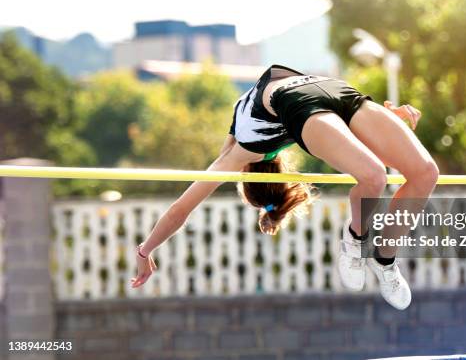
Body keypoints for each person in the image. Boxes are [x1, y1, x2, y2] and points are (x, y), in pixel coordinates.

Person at [131, 64, 439, 309]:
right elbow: (183, 206)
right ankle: (370, 250)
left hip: (323, 91)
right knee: (381, 176)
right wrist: (387, 120)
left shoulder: (240, 152)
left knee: (414, 174)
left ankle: (376, 254)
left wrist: (145, 252)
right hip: (322, 91)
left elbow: (180, 210)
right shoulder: (244, 144)